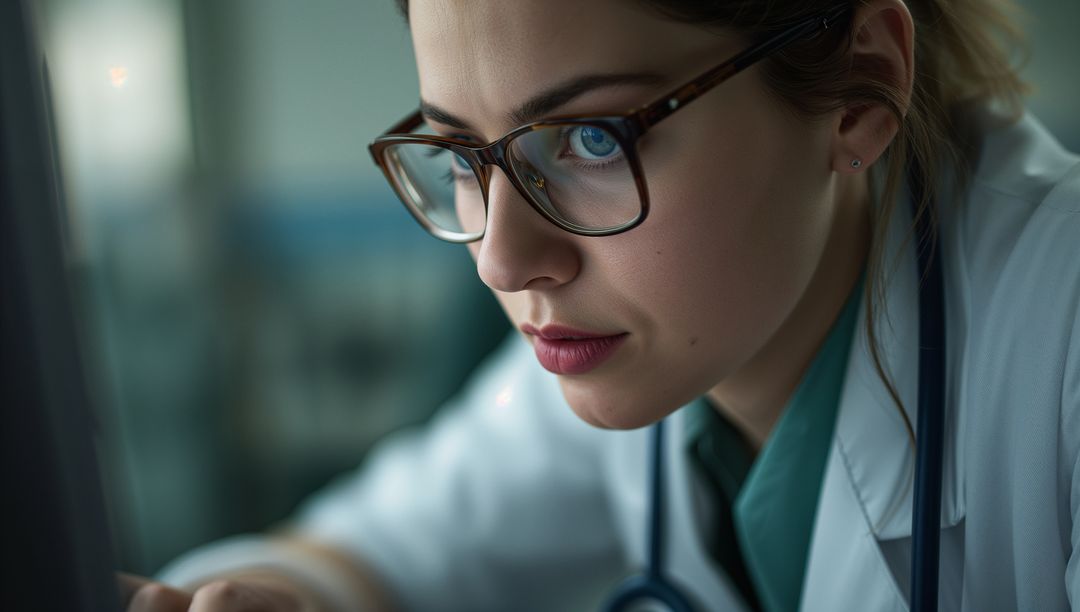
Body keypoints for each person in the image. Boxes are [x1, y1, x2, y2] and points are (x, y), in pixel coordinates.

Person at [123, 0, 1080, 610]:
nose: (503, 260)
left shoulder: (1060, 338)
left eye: (588, 140)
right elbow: (378, 548)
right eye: (463, 158)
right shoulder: (634, 352)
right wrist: (276, 597)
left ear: (859, 93)